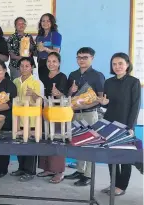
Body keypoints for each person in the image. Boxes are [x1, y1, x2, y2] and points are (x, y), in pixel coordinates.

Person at [98, 53, 140, 196]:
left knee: (125, 157)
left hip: (125, 125)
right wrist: (103, 104)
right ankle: (113, 183)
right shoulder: (109, 82)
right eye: (114, 64)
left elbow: (135, 106)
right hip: (110, 123)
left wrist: (130, 127)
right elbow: (107, 105)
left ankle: (122, 186)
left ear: (127, 64)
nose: (117, 67)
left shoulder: (134, 82)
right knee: (111, 156)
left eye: (120, 63)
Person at [64, 47, 105, 186]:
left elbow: (100, 98)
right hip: (74, 114)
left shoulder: (97, 75)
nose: (81, 60)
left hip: (89, 114)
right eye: (79, 57)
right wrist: (71, 90)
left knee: (89, 144)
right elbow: (68, 96)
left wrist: (84, 106)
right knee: (77, 143)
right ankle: (80, 170)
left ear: (92, 58)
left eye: (85, 57)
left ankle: (88, 175)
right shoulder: (73, 74)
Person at [37, 52, 68, 184]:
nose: (51, 64)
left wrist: (58, 94)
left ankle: (59, 171)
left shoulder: (62, 77)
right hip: (44, 110)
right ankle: (47, 168)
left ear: (59, 63)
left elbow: (65, 96)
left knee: (57, 140)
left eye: (54, 61)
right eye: (49, 61)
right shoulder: (43, 75)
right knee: (45, 139)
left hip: (58, 112)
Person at [11, 57, 42, 182]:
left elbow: (39, 101)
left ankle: (30, 171)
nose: (24, 68)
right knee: (20, 146)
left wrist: (33, 94)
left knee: (30, 146)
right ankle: (21, 168)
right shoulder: (15, 81)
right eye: (22, 66)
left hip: (31, 120)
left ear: (32, 68)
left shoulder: (36, 82)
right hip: (18, 119)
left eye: (27, 66)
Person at [36, 13, 62, 85]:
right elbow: (38, 52)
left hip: (51, 63)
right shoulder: (39, 36)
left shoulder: (55, 35)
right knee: (44, 86)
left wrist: (45, 49)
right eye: (43, 21)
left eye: (48, 21)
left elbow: (56, 52)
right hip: (41, 63)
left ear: (52, 22)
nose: (45, 23)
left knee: (52, 86)